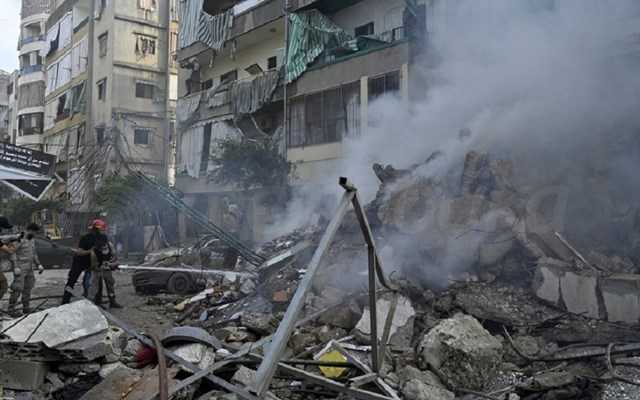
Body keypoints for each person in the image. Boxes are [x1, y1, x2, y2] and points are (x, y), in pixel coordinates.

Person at [61, 219, 108, 305]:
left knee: (98, 281)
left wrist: (103, 262)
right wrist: (90, 251)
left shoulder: (103, 237)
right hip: (80, 261)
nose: (98, 232)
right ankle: (65, 301)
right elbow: (79, 252)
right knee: (72, 280)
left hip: (94, 261)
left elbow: (104, 250)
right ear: (93, 229)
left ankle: (98, 302)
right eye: (97, 229)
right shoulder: (85, 238)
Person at [6, 223, 44, 316]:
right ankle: (11, 309)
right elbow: (12, 252)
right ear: (30, 230)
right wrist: (15, 266)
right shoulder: (19, 238)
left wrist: (38, 264)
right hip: (20, 267)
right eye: (35, 232)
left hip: (30, 268)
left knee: (28, 288)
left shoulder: (31, 239)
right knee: (17, 288)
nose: (35, 234)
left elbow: (34, 253)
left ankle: (26, 308)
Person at [88, 235, 122, 309]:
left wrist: (111, 263)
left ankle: (112, 301)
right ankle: (97, 301)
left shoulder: (110, 245)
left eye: (104, 245)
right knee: (98, 285)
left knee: (110, 284)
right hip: (97, 269)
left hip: (107, 268)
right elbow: (92, 264)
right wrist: (99, 266)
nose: (103, 247)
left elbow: (115, 257)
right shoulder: (94, 250)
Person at [221, 197, 242, 268]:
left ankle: (230, 265)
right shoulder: (225, 214)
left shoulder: (233, 208)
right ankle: (228, 265)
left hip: (234, 233)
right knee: (229, 251)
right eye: (223, 202)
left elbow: (238, 216)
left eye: (225, 202)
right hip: (229, 234)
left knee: (233, 251)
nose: (224, 204)